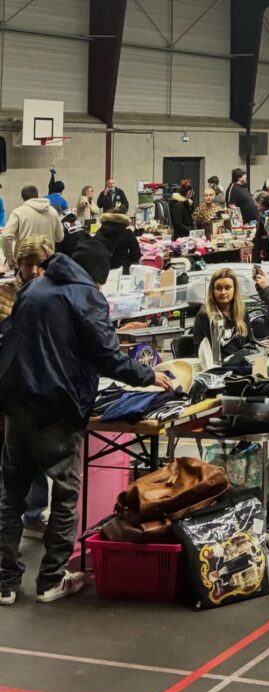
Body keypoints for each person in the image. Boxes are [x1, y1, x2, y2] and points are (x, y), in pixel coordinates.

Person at [0, 244, 171, 605]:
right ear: (98, 277)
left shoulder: (34, 287)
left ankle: (5, 583)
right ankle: (51, 580)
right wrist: (147, 375)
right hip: (58, 408)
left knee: (10, 496)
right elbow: (106, 355)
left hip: (17, 402)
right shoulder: (86, 296)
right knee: (65, 496)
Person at [0, 236, 55, 542]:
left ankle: (33, 515)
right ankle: (8, 529)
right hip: (8, 391)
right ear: (18, 264)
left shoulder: (55, 295)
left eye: (39, 264)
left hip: (40, 391)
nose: (33, 270)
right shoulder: (4, 296)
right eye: (28, 264)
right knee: (9, 465)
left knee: (36, 458)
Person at [192, 268, 253, 363]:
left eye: (227, 288)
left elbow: (250, 344)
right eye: (218, 288)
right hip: (216, 367)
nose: (223, 292)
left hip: (241, 364)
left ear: (234, 289)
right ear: (212, 290)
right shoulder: (204, 315)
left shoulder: (242, 311)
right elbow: (200, 352)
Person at [2, 186, 63, 266]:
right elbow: (60, 238)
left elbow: (6, 236)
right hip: (47, 261)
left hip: (26, 263)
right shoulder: (53, 211)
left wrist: (10, 258)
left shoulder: (18, 212)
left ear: (23, 198)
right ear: (37, 195)